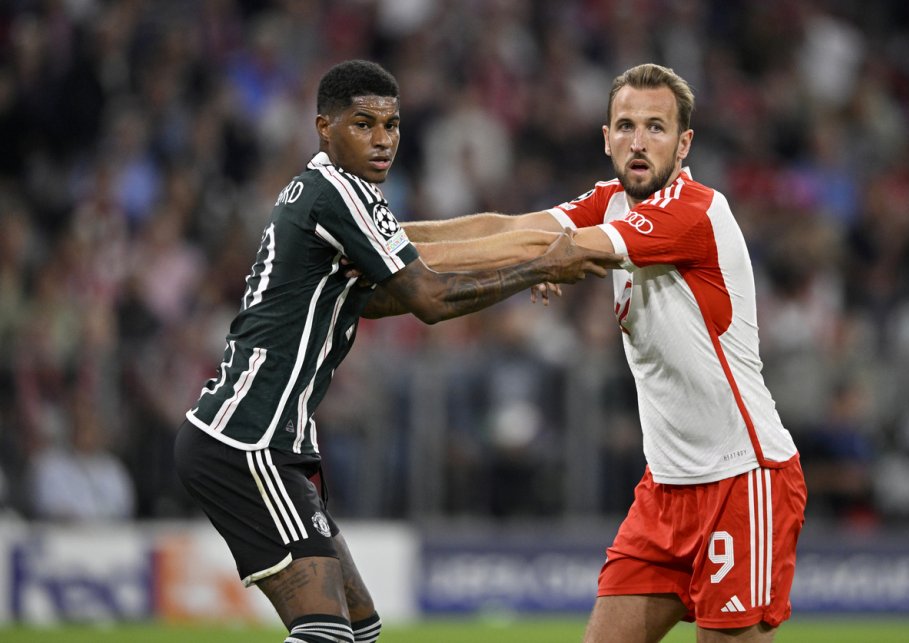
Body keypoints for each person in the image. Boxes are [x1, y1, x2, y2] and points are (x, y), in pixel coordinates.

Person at [173, 59, 620, 643]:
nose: (382, 140)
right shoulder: (333, 192)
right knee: (326, 633)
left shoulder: (344, 196)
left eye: (392, 124)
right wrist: (538, 264)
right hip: (249, 437)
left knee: (360, 629)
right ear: (324, 128)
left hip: (263, 439)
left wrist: (528, 248)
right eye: (364, 124)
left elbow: (400, 281)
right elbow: (428, 297)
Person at [402, 63, 807, 642]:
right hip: (666, 489)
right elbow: (513, 226)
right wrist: (386, 233)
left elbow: (556, 252)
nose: (637, 142)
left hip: (742, 479)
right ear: (606, 137)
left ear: (684, 142)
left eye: (655, 127)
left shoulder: (692, 211)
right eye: (625, 125)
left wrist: (545, 258)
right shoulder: (611, 201)